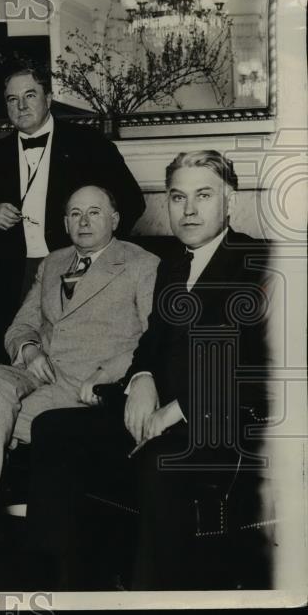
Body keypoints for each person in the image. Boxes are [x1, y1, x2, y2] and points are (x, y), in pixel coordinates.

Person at [27, 150, 272, 590]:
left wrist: (176, 411)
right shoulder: (172, 265)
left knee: (160, 465)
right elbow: (151, 343)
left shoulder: (258, 263)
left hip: (220, 421)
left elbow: (256, 368)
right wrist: (142, 379)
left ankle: (151, 594)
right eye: (178, 197)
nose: (189, 210)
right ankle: (66, 588)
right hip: (157, 412)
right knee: (52, 428)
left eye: (203, 195)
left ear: (230, 202)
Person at [0, 185, 158, 548]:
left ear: (115, 219)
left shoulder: (141, 264)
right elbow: (20, 327)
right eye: (75, 214)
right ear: (65, 223)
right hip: (39, 370)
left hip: (87, 382)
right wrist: (29, 350)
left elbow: (154, 338)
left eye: (94, 213)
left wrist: (108, 373)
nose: (83, 222)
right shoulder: (53, 263)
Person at [0, 69, 145, 351]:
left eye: (30, 95)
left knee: (73, 349)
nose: (21, 106)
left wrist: (98, 254)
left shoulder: (89, 143)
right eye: (12, 99)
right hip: (14, 275)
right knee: (15, 350)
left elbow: (132, 201)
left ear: (48, 99)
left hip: (77, 268)